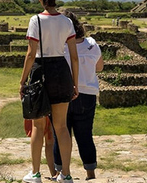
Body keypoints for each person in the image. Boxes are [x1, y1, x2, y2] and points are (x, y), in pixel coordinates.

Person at [19, 0, 79, 183]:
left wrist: (22, 81)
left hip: (40, 70)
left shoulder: (36, 20)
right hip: (61, 72)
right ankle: (66, 174)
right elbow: (74, 57)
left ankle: (35, 173)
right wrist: (75, 83)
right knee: (61, 127)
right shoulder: (67, 22)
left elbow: (30, 53)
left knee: (38, 126)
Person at [53, 10, 104, 181]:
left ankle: (60, 171)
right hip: (87, 94)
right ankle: (90, 172)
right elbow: (99, 67)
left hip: (64, 94)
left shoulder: (59, 47)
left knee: (60, 133)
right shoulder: (91, 44)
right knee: (85, 135)